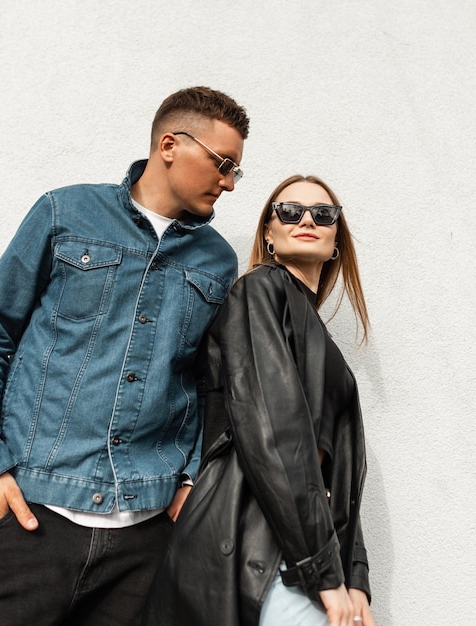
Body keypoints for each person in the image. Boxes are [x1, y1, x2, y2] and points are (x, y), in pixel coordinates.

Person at [0, 86, 249, 625]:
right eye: (223, 164)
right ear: (169, 144)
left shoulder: (216, 261)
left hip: (146, 540)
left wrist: (191, 481)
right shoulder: (66, 212)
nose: (228, 182)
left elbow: (208, 384)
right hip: (31, 518)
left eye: (236, 172)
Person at [142, 175, 376, 626]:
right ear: (269, 234)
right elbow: (276, 434)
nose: (307, 219)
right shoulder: (260, 292)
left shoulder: (319, 338)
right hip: (261, 548)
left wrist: (355, 578)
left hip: (301, 551)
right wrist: (328, 576)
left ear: (335, 243)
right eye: (289, 211)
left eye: (323, 214)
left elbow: (337, 478)